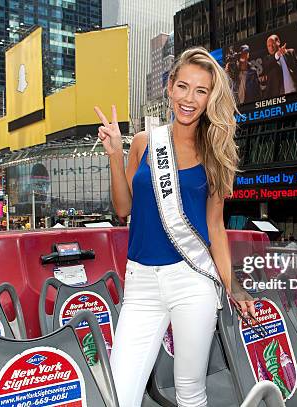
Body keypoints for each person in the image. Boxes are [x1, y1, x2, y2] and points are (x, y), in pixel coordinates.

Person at [95, 47, 255, 407]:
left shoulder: (216, 154)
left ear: (211, 98)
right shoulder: (144, 142)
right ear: (169, 87)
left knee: (190, 392)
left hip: (192, 279)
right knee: (119, 393)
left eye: (201, 91)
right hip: (141, 283)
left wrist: (234, 286)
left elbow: (215, 228)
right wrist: (116, 155)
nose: (189, 98)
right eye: (183, 86)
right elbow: (123, 209)